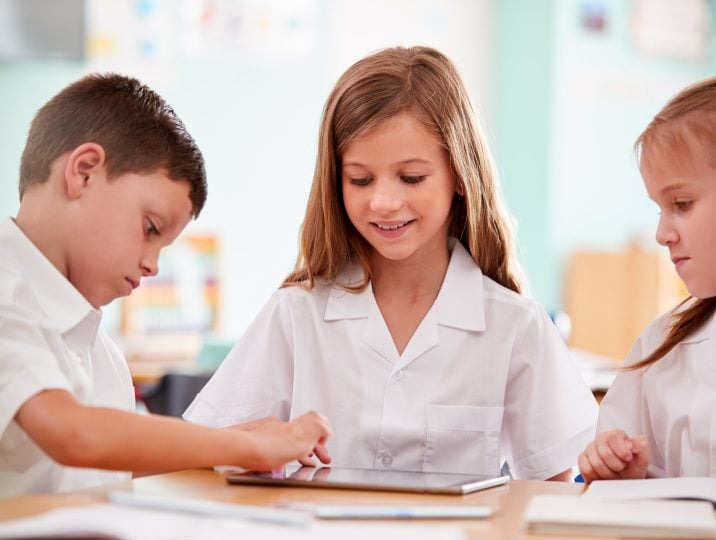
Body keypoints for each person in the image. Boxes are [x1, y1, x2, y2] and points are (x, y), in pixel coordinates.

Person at [184, 46, 597, 480]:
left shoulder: (516, 326)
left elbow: (552, 487)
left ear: (459, 172)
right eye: (360, 180)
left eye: (412, 178)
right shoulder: (296, 313)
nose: (383, 202)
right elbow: (204, 448)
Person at [0, 73, 331, 498]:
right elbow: (74, 436)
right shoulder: (7, 292)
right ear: (83, 173)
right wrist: (245, 445)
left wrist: (236, 439)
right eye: (150, 228)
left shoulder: (104, 359)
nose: (153, 266)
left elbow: (109, 461)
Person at [578, 78, 716, 482]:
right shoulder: (661, 347)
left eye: (682, 205)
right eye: (660, 209)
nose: (662, 235)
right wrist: (622, 474)